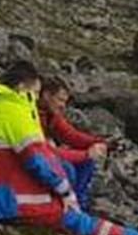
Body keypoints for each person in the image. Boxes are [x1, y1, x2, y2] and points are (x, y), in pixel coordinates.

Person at [0, 61, 138, 235]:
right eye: (36, 92)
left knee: (65, 190)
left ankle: (118, 234)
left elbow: (66, 137)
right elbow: (39, 162)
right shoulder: (16, 112)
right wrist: (66, 193)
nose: (36, 97)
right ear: (23, 87)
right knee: (68, 216)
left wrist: (99, 143)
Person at [37, 76, 109, 208]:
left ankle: (78, 205)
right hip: (32, 160)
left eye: (65, 101)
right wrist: (86, 154)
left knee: (86, 162)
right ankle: (63, 207)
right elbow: (46, 151)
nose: (63, 106)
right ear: (46, 95)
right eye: (60, 100)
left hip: (44, 155)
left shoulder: (50, 115)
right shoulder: (31, 115)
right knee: (68, 168)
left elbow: (71, 136)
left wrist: (102, 142)